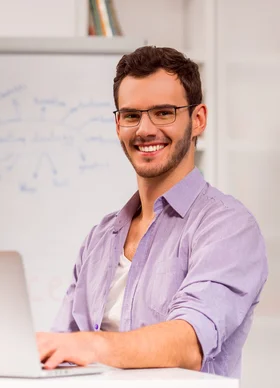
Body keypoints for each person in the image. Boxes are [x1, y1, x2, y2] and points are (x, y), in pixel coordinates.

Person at [37, 46, 268, 378]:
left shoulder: (228, 228)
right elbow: (64, 346)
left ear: (198, 119)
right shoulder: (100, 238)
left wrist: (92, 346)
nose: (145, 129)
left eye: (164, 112)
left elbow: (189, 344)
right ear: (118, 125)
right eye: (132, 115)